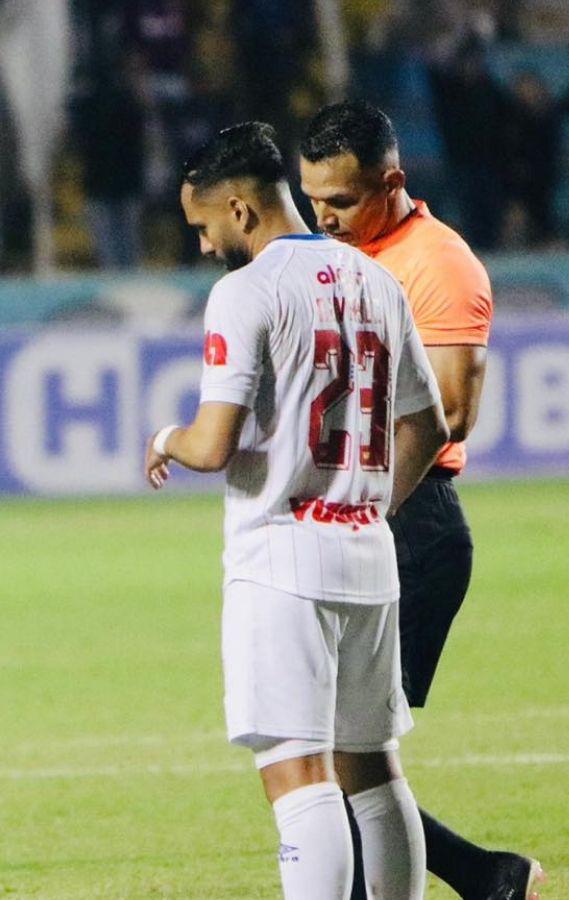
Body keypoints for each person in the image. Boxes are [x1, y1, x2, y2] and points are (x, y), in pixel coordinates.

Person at [147, 121, 448, 900]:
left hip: (280, 560)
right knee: (373, 771)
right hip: (368, 559)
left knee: (297, 773)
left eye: (203, 227)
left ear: (240, 210)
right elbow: (429, 425)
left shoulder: (245, 292)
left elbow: (213, 444)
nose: (204, 246)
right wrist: (371, 506)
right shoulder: (375, 280)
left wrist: (166, 439)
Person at [299, 100, 544, 900]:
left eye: (341, 200)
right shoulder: (336, 254)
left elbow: (452, 411)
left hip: (413, 523)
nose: (324, 217)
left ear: (392, 181)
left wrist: (361, 501)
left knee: (339, 749)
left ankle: (475, 877)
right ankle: (489, 877)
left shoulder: (438, 264)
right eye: (313, 199)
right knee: (327, 747)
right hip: (355, 515)